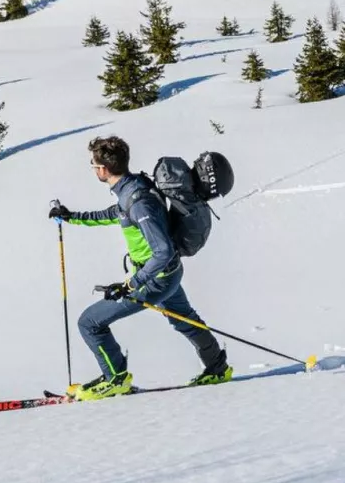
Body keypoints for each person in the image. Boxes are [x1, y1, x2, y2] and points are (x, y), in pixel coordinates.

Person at [49, 135, 231, 399]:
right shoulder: (132, 187)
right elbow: (116, 213)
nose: (93, 169)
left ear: (103, 169)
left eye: (93, 165)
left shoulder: (138, 200)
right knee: (185, 320)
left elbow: (163, 250)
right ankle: (218, 368)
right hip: (167, 274)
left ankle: (115, 379)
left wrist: (131, 285)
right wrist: (72, 217)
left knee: (89, 322)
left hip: (156, 278)